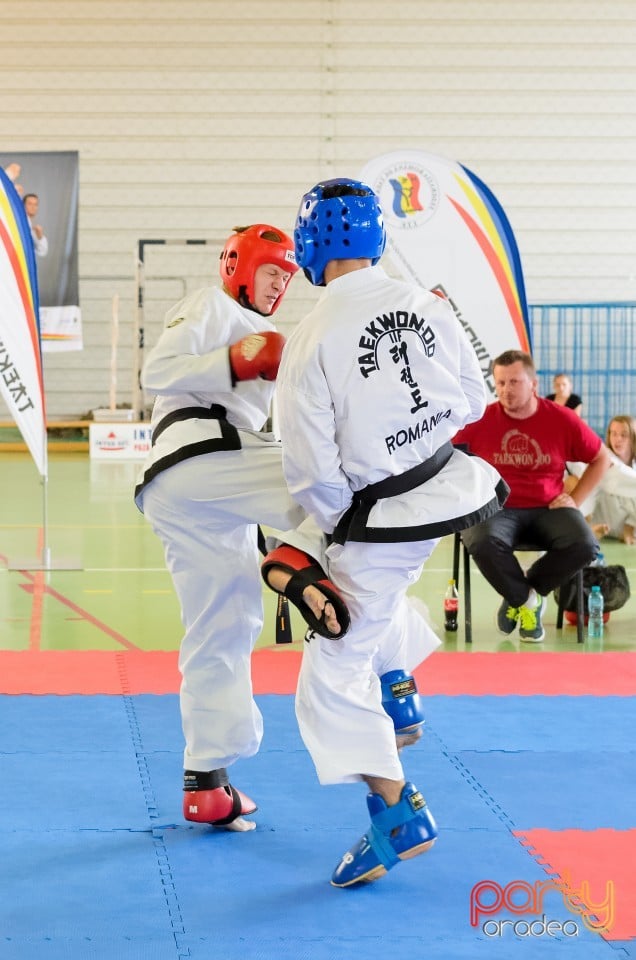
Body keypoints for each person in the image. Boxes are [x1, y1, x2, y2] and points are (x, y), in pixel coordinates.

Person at [261, 178, 508, 888]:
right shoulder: (426, 301)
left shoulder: (309, 342)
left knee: (329, 670)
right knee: (346, 587)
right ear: (376, 239)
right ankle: (397, 685)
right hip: (446, 488)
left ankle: (398, 813)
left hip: (381, 517)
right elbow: (471, 396)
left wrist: (338, 532)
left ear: (309, 247)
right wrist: (411, 442)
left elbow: (310, 472)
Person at [134, 223, 305, 832]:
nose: (279, 285)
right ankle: (390, 664)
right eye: (270, 273)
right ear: (238, 267)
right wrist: (236, 360)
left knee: (225, 625)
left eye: (287, 277)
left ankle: (207, 780)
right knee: (329, 495)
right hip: (202, 454)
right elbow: (157, 372)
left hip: (191, 492)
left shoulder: (269, 337)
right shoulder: (210, 305)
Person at [454, 349, 611, 642]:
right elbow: (446, 455)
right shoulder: (482, 419)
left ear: (534, 386)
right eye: (500, 383)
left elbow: (601, 458)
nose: (505, 390)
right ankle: (527, 602)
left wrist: (575, 499)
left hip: (549, 506)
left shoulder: (561, 419)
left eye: (514, 382)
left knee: (585, 544)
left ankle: (523, 593)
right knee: (478, 539)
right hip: (498, 507)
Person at [568, 414, 636, 544]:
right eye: (614, 433)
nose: (618, 439)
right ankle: (586, 530)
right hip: (603, 517)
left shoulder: (632, 466)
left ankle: (628, 528)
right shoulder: (607, 459)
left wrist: (631, 523)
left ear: (633, 437)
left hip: (623, 522)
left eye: (623, 435)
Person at [22, 193, 48, 257]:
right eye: (30, 204)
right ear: (23, 206)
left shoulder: (32, 228)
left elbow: (42, 251)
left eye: (36, 204)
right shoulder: (20, 224)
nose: (33, 207)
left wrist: (40, 236)